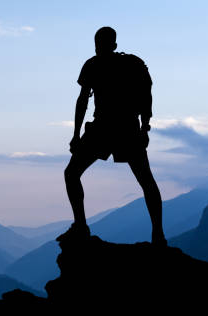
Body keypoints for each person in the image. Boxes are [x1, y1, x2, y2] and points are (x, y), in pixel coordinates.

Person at [57, 26, 167, 246]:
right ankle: (158, 235)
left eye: (100, 45)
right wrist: (145, 127)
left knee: (72, 173)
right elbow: (147, 97)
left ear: (107, 45)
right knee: (146, 181)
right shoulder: (132, 64)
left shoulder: (93, 65)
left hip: (104, 129)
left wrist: (76, 135)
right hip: (125, 129)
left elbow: (82, 101)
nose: (99, 49)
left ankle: (81, 226)